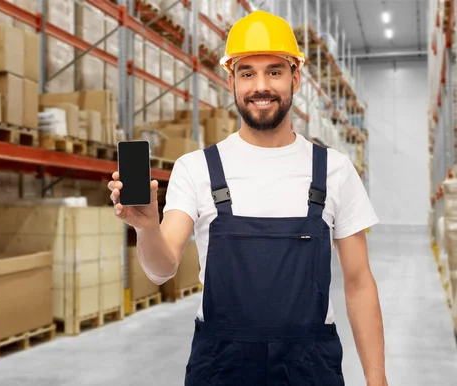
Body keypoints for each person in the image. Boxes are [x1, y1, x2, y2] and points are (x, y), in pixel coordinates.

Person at [108, 10, 387, 386]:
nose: (261, 86)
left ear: (296, 77)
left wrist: (377, 378)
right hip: (222, 365)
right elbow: (162, 268)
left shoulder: (334, 170)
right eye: (247, 72)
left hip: (310, 366)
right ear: (231, 81)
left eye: (274, 71)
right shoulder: (196, 168)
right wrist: (146, 228)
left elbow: (358, 282)